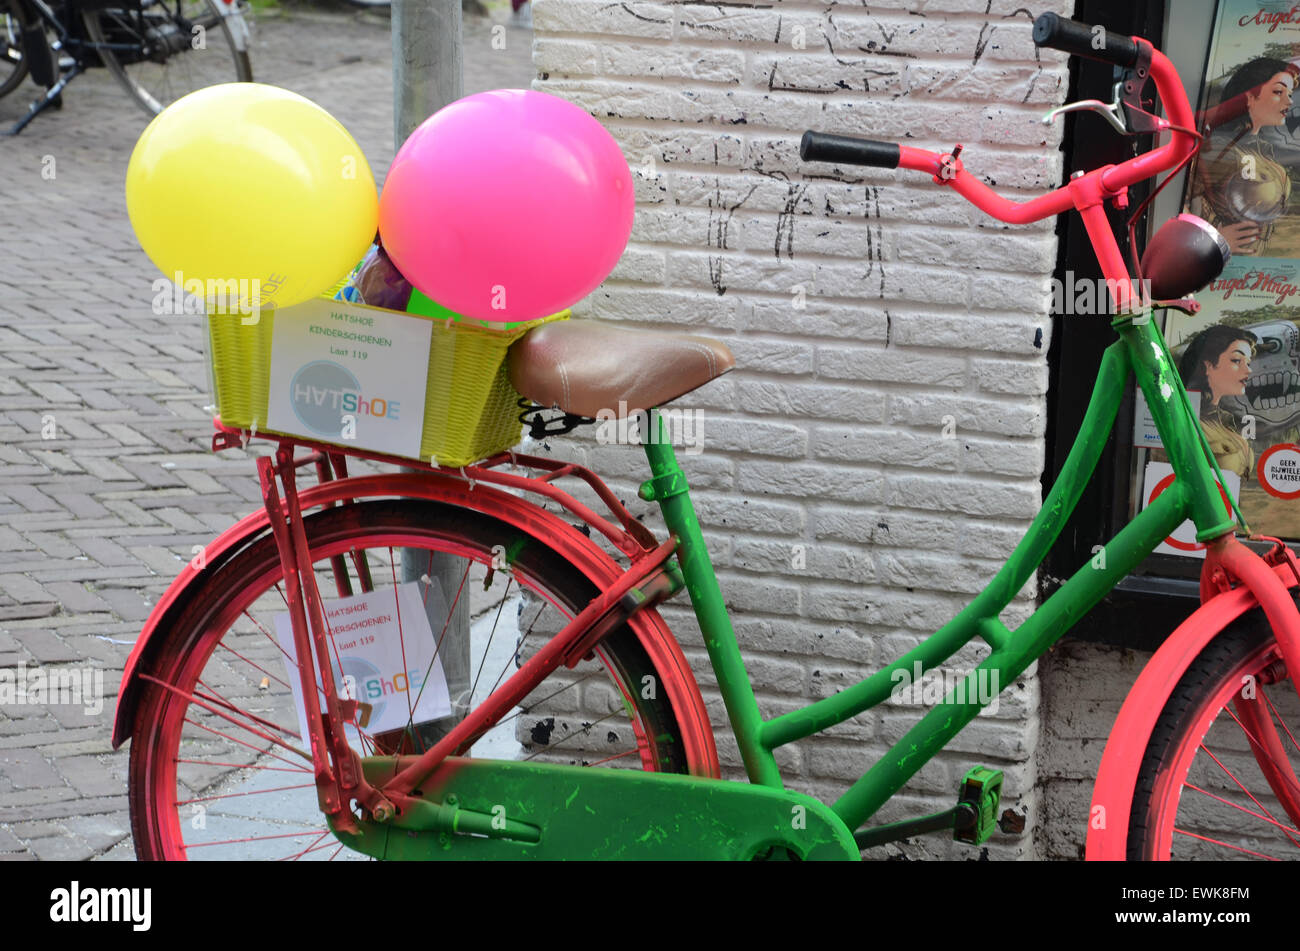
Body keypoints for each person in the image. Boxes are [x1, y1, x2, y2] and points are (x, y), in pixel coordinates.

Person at [1193, 58, 1299, 256]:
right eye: (1279, 92)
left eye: (1290, 94)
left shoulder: (1262, 151)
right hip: (1216, 267)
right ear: (1250, 97)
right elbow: (1180, 201)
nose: (1290, 101)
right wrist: (1214, 238)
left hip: (1260, 269)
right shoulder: (1219, 150)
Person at [1177, 325, 1259, 480]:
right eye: (1237, 360)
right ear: (1208, 365)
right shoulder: (1186, 420)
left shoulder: (1226, 420)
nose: (1248, 370)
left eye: (1248, 362)